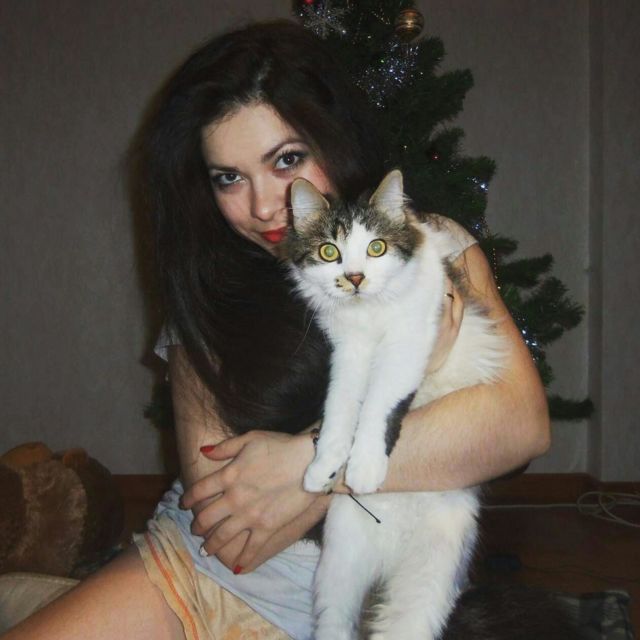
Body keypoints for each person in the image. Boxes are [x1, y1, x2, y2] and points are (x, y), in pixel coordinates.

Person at [2, 19, 549, 640]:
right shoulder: (207, 288)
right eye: (228, 178)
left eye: (287, 160)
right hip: (199, 577)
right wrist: (405, 378)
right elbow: (232, 531)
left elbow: (519, 426)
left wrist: (297, 467)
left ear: (333, 141)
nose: (264, 206)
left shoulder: (430, 245)